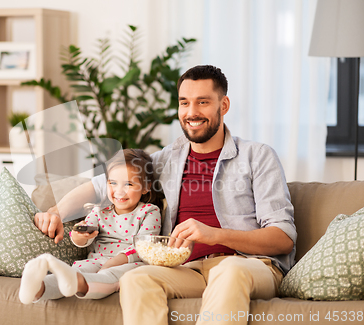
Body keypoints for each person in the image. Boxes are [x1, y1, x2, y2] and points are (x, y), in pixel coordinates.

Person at [34, 65, 297, 325]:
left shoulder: (257, 156)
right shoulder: (168, 159)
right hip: (186, 268)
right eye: (184, 103)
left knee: (229, 271)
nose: (191, 112)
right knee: (136, 278)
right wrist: (55, 213)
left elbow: (283, 238)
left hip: (248, 265)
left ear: (224, 105)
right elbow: (102, 186)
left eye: (203, 102)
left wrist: (215, 234)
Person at [19, 149, 162, 304]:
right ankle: (38, 288)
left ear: (146, 187)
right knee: (75, 271)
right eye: (113, 183)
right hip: (96, 260)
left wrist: (112, 263)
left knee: (110, 277)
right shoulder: (99, 210)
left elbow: (145, 247)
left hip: (129, 264)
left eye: (129, 184)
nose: (119, 191)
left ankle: (76, 283)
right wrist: (78, 236)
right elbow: (84, 239)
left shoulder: (150, 211)